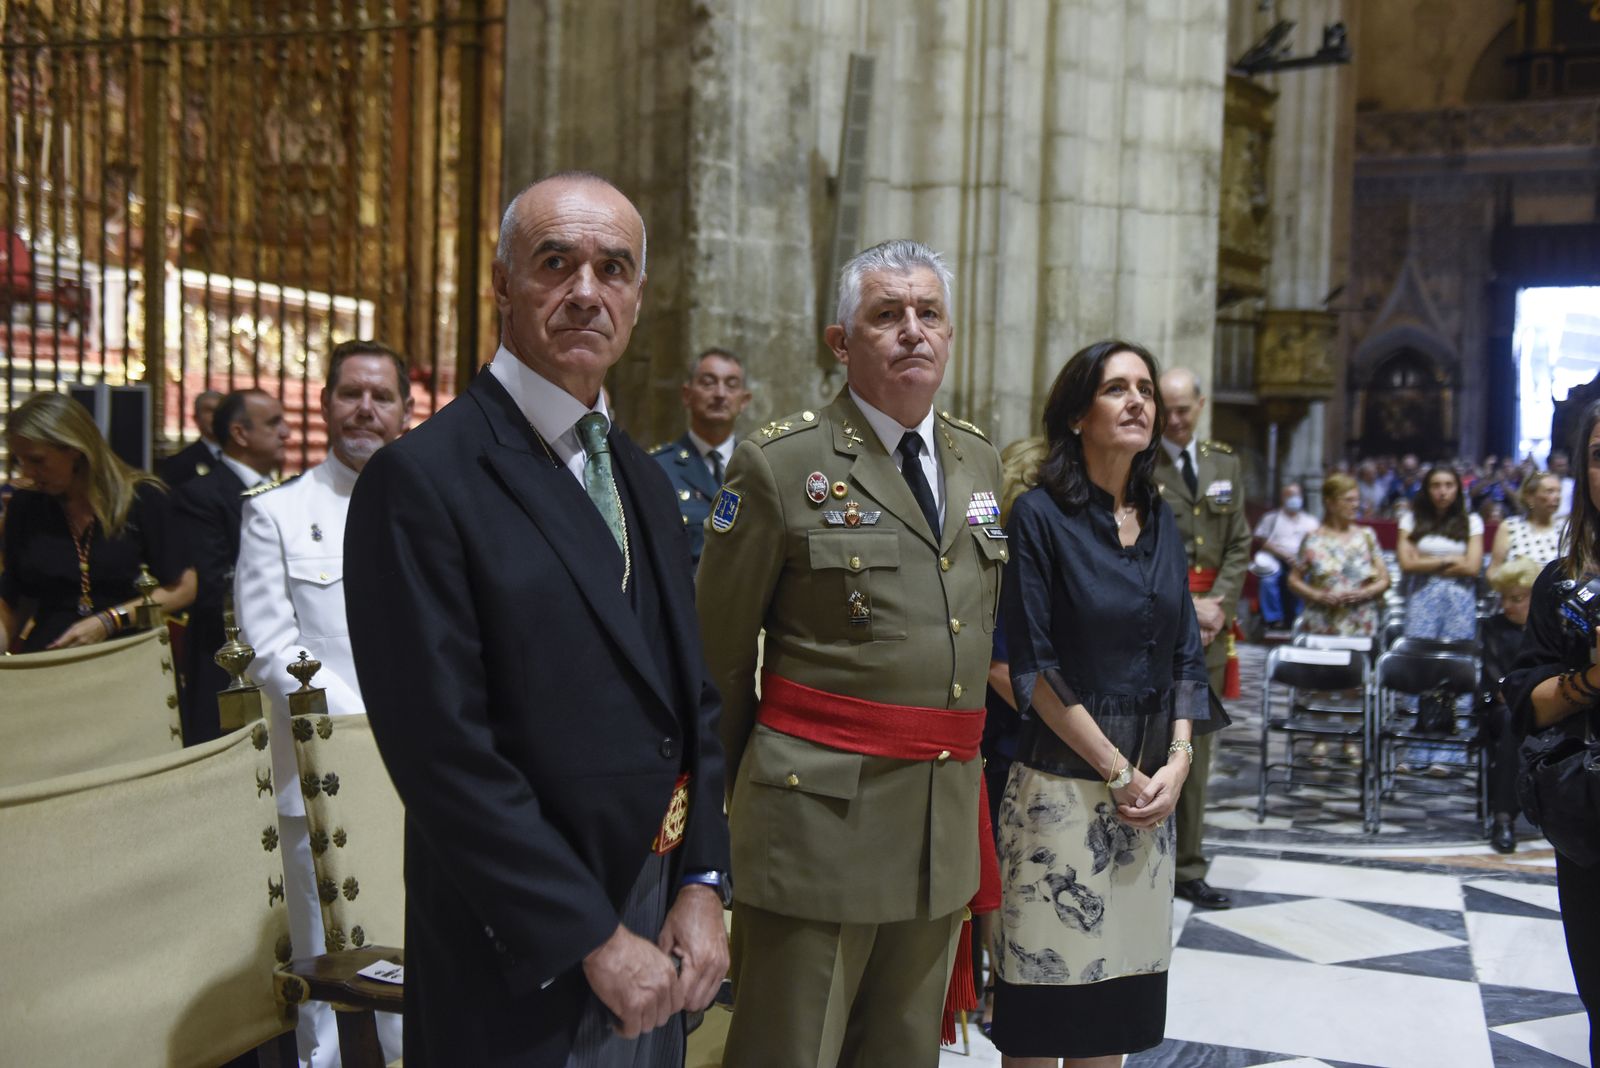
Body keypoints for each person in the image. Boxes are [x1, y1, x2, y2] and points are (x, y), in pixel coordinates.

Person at [343, 172, 729, 1067]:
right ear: (503, 283)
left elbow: (692, 704)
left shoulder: (641, 477)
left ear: (638, 296)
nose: (586, 292)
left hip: (657, 909)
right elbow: (445, 753)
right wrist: (588, 935)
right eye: (556, 263)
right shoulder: (425, 479)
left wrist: (703, 879)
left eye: (614, 268)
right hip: (523, 938)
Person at [696, 239, 1004, 1068]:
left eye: (928, 313)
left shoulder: (978, 461)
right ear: (841, 341)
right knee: (788, 1052)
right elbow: (717, 664)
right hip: (815, 828)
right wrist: (710, 837)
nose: (913, 331)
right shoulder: (780, 464)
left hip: (936, 829)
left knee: (903, 1055)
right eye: (886, 315)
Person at [991, 340, 1222, 1067]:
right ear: (1076, 413)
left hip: (1149, 799)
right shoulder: (1038, 517)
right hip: (1060, 794)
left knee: (1113, 1025)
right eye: (1117, 388)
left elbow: (1186, 653)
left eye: (1146, 389)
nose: (1138, 402)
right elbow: (1034, 664)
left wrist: (1178, 763)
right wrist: (1117, 769)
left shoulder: (1161, 520)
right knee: (1043, 1019)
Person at [233, 340, 413, 1067]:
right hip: (322, 774)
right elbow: (274, 647)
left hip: (424, 774)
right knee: (324, 958)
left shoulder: (432, 514)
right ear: (325, 402)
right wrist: (372, 723)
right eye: (350, 393)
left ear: (405, 412)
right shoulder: (276, 514)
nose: (365, 408)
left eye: (382, 395)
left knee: (410, 950)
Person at [1505, 400, 1600, 1065]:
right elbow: (1529, 706)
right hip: (1592, 812)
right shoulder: (1564, 582)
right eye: (1599, 454)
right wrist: (1593, 680)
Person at [1155, 367, 1249, 911]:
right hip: (1162, 618)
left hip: (1212, 625)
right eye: (1168, 410)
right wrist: (1187, 604)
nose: (1176, 420)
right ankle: (1147, 854)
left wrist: (1220, 606)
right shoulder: (1142, 463)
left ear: (1201, 404)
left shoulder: (1223, 463)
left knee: (1197, 747)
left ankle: (1188, 864)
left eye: (1185, 409)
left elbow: (1239, 542)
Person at [2, 392, 195, 652]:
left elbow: (184, 587)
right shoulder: (26, 506)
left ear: (74, 449)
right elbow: (16, 599)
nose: (27, 473)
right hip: (51, 654)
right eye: (19, 461)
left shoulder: (142, 498)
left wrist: (109, 620)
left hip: (128, 650)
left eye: (37, 460)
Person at [975, 435, 1048, 1036]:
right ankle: (999, 985)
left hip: (1036, 734)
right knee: (1005, 875)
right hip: (1014, 740)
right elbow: (1001, 667)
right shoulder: (1009, 557)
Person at [172, 389, 290, 745]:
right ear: (240, 434)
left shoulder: (283, 492)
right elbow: (212, 582)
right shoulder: (201, 494)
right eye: (274, 423)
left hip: (278, 651)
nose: (286, 432)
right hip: (224, 659)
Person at [1395, 464, 1484, 775]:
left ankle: (1448, 754)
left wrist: (1428, 561)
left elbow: (1473, 566)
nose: (1442, 491)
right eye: (1436, 485)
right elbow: (1406, 562)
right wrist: (1449, 560)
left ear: (1458, 489)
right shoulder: (1411, 519)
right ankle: (1414, 749)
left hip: (1459, 600)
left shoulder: (1471, 521)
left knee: (1452, 671)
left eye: (1448, 485)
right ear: (1427, 489)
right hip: (1421, 598)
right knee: (1419, 671)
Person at [651, 348, 751, 569]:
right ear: (687, 395)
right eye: (708, 383)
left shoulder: (759, 468)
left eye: (731, 385)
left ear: (744, 400)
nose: (720, 394)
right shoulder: (658, 468)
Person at [1479, 556, 1538, 855]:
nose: (1508, 606)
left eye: (1516, 599)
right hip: (1502, 707)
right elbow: (1495, 682)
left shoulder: (1548, 630)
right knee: (1511, 722)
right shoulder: (1492, 627)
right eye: (1504, 598)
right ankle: (1503, 818)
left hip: (1543, 705)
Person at [1288, 473, 1390, 639]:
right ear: (1330, 503)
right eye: (1348, 500)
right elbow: (1294, 579)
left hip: (1360, 621)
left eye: (1357, 500)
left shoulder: (1366, 536)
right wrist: (1317, 595)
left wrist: (1364, 593)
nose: (1355, 505)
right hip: (1322, 621)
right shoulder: (1313, 539)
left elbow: (1384, 580)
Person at [1252, 482, 1320, 632]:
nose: (1294, 499)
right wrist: (1284, 555)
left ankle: (1299, 618)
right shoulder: (1271, 518)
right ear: (1283, 498)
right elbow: (1262, 541)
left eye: (1297, 495)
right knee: (1268, 580)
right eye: (1290, 495)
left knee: (1305, 580)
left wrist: (1302, 560)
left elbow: (1316, 545)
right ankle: (1274, 619)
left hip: (1301, 562)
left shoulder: (1311, 522)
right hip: (1276, 559)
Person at [1488, 470, 1563, 580]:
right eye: (1550, 491)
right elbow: (1493, 571)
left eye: (1559, 491)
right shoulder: (1510, 527)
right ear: (1530, 497)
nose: (1557, 497)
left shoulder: (1566, 528)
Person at [157, 390, 224, 488]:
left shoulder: (245, 456)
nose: (216, 416)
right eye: (209, 411)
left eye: (220, 411)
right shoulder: (179, 463)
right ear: (196, 418)